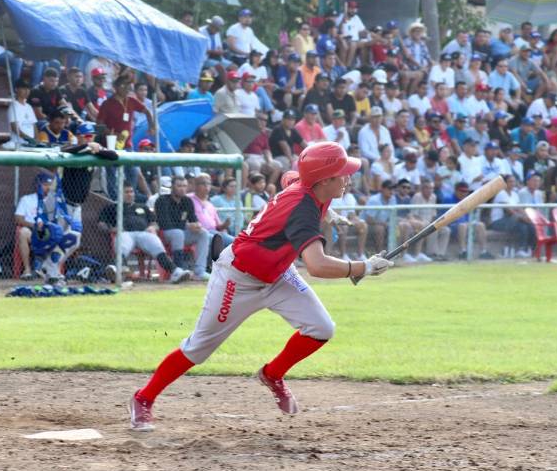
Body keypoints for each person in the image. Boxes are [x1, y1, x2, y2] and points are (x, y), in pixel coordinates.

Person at [128, 143, 392, 430]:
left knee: (322, 328)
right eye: (342, 174)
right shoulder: (302, 210)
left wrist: (328, 214)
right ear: (324, 180)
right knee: (198, 348)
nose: (349, 178)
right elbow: (317, 265)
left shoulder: (311, 185)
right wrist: (362, 267)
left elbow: (290, 177)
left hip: (278, 274)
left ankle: (272, 373)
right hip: (238, 278)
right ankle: (143, 398)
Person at [98, 183, 191, 284]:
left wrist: (153, 227)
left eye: (131, 192)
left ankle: (175, 272)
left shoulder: (143, 207)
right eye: (126, 192)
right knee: (122, 247)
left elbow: (154, 222)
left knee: (158, 248)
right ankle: (117, 270)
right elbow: (101, 224)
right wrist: (111, 229)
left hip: (144, 233)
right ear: (120, 194)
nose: (130, 194)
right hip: (125, 233)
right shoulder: (112, 207)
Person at [154, 176, 211, 281]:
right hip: (165, 234)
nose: (182, 189)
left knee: (203, 233)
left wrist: (197, 225)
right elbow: (165, 224)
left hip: (181, 233)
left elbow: (193, 219)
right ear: (172, 187)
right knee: (178, 233)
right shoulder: (162, 200)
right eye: (179, 186)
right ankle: (177, 270)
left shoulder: (187, 201)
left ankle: (200, 271)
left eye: (184, 186)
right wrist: (187, 225)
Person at [411, 178, 450, 259]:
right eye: (428, 188)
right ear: (422, 189)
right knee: (432, 228)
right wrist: (429, 223)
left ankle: (441, 254)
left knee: (445, 230)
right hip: (419, 222)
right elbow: (414, 215)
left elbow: (433, 214)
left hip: (429, 221)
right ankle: (432, 253)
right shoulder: (417, 196)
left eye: (431, 188)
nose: (430, 190)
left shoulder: (433, 197)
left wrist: (437, 223)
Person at [4, 78, 38, 150]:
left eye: (28, 88)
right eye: (24, 88)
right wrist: (28, 139)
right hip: (18, 144)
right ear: (16, 89)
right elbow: (14, 128)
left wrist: (36, 140)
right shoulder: (13, 106)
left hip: (30, 145)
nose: (27, 91)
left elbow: (34, 125)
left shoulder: (29, 107)